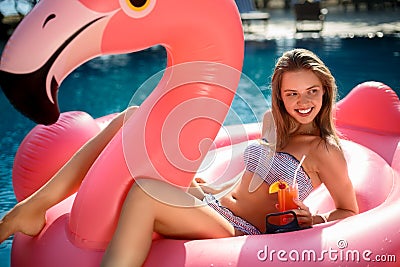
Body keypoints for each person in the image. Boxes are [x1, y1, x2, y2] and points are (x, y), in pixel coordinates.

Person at [0, 48, 359, 266]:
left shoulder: (325, 149)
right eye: (292, 93)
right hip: (214, 201)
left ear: (325, 92)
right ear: (279, 97)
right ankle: (35, 206)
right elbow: (248, 181)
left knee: (145, 194)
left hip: (239, 228)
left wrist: (315, 219)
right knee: (133, 118)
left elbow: (349, 210)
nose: (303, 102)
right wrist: (205, 187)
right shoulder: (271, 122)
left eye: (312, 91)